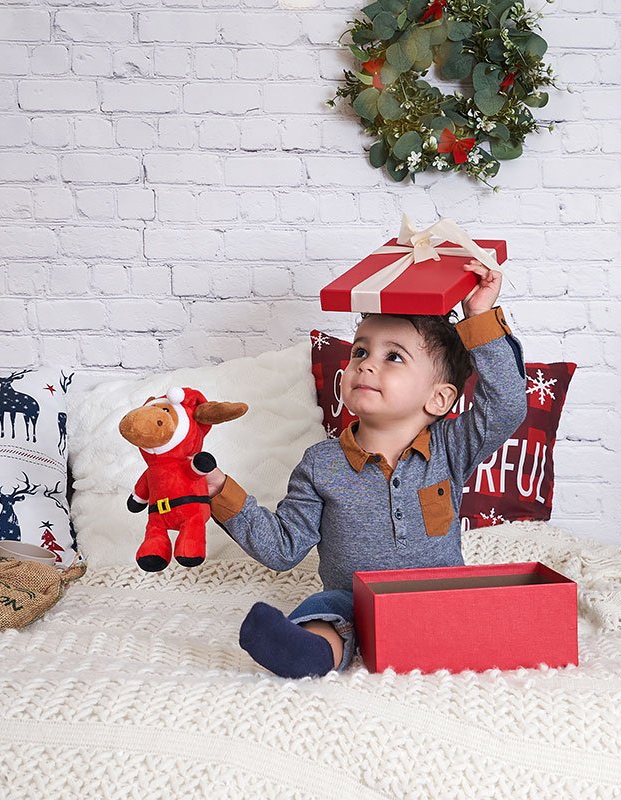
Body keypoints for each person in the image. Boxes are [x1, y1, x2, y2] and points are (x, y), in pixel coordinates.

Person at [206, 259, 527, 678]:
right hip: (354, 600)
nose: (366, 364)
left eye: (393, 356)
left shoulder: (451, 447)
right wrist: (219, 492)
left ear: (439, 399)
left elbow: (507, 404)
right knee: (326, 611)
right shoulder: (321, 464)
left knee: (478, 607)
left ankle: (460, 638)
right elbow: (282, 548)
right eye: (360, 350)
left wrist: (479, 317)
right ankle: (308, 652)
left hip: (436, 596)